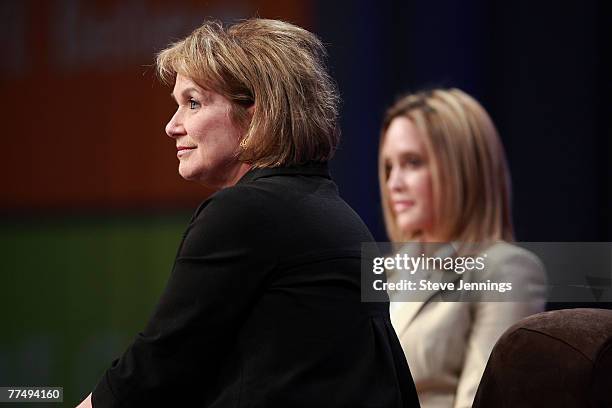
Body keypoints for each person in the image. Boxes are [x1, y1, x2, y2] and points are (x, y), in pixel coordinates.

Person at [77, 18, 420, 407]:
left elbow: (157, 365)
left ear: (256, 112)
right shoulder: (339, 214)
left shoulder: (243, 214)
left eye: (193, 103)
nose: (172, 125)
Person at [378, 89, 547, 408]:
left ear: (462, 169)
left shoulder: (506, 269)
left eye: (412, 163)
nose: (394, 183)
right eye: (389, 167)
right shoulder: (388, 271)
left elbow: (483, 401)